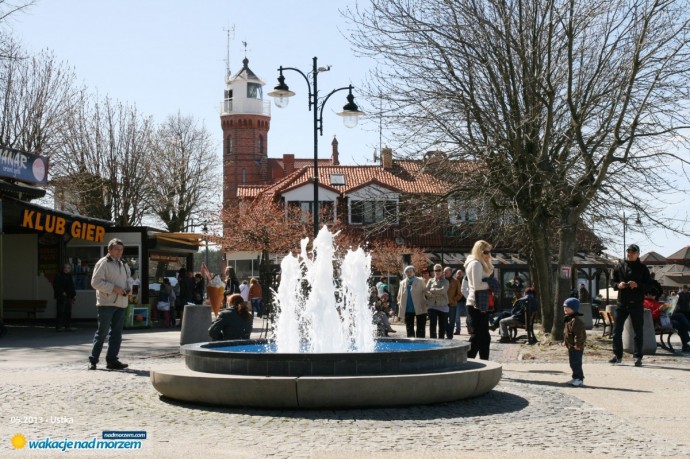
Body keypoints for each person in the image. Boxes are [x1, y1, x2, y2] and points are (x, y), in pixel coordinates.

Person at [88, 238, 131, 371]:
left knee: (116, 334)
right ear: (110, 250)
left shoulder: (124, 264)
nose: (119, 252)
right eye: (117, 249)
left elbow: (128, 280)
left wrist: (128, 289)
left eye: (121, 249)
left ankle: (112, 360)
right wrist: (114, 288)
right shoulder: (103, 263)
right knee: (102, 332)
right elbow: (95, 283)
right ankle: (93, 360)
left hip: (121, 302)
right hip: (106, 303)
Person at [609, 244, 651, 367]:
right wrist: (618, 285)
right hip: (622, 303)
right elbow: (612, 281)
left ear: (638, 254)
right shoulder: (619, 266)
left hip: (637, 304)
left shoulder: (643, 268)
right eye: (628, 251)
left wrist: (637, 285)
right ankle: (617, 355)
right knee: (617, 331)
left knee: (638, 331)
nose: (630, 254)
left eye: (633, 252)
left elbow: (649, 285)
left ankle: (638, 357)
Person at [465, 240, 495, 360]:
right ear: (479, 251)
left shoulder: (480, 262)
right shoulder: (475, 264)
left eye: (489, 251)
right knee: (477, 336)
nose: (489, 254)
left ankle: (485, 363)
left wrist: (488, 261)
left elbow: (488, 272)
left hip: (481, 302)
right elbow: (477, 285)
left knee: (485, 337)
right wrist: (490, 284)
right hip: (475, 303)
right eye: (486, 251)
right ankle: (466, 359)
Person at [396, 265, 428, 338]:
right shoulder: (402, 283)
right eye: (407, 272)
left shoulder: (420, 280)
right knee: (409, 329)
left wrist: (428, 302)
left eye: (410, 271)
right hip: (408, 308)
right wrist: (399, 304)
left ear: (414, 272)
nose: (409, 273)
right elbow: (399, 295)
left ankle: (421, 344)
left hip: (420, 307)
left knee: (420, 328)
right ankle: (411, 343)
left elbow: (426, 292)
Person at [563, 297, 586, 387]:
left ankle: (579, 379)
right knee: (572, 363)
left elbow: (579, 334)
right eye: (564, 307)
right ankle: (575, 377)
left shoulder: (576, 321)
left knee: (576, 363)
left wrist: (578, 344)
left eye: (567, 307)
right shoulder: (569, 319)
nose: (565, 309)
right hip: (571, 346)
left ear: (573, 309)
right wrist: (565, 341)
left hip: (577, 347)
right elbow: (567, 333)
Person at [426, 264, 449, 339]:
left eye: (439, 270)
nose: (437, 272)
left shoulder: (446, 281)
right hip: (432, 306)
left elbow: (443, 290)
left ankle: (441, 342)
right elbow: (426, 291)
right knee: (432, 325)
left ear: (442, 271)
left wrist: (432, 290)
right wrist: (433, 294)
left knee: (442, 326)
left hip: (443, 306)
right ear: (434, 271)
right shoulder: (430, 280)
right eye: (436, 270)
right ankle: (433, 342)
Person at [53, 263, 76, 332]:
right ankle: (59, 326)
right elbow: (56, 286)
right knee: (60, 311)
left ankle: (67, 326)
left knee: (68, 311)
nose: (67, 269)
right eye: (65, 267)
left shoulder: (69, 276)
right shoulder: (59, 275)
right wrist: (62, 292)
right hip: (61, 296)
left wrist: (73, 295)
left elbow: (71, 286)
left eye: (68, 268)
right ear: (63, 268)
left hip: (68, 296)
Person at [444, 267, 461, 339]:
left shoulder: (456, 282)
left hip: (452, 305)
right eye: (444, 272)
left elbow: (460, 294)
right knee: (444, 321)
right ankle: (448, 332)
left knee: (452, 321)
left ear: (450, 273)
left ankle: (450, 336)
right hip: (443, 304)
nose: (444, 273)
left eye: (446, 272)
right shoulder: (442, 281)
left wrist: (454, 299)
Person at [454, 269, 466, 335]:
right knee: (457, 317)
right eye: (458, 273)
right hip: (458, 301)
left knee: (469, 317)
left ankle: (469, 328)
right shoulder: (454, 281)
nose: (459, 274)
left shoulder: (465, 280)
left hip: (465, 300)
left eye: (460, 273)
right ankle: (458, 330)